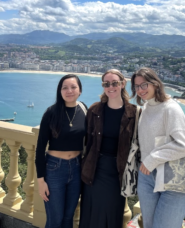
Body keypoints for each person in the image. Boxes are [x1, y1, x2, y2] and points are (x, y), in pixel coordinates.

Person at [131, 67, 185, 228]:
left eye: (144, 85)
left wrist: (153, 159)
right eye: (136, 86)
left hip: (173, 178)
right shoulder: (146, 108)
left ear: (155, 84)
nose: (140, 90)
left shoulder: (170, 108)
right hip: (147, 178)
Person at [80, 69, 137, 228]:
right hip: (94, 168)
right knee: (92, 212)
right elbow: (86, 140)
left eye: (114, 83)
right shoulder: (94, 110)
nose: (110, 87)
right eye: (106, 84)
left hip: (118, 171)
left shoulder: (134, 113)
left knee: (112, 213)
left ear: (122, 84)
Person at [35, 74, 87, 228]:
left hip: (77, 168)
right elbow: (40, 149)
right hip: (54, 169)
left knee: (68, 217)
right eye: (65, 87)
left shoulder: (84, 109)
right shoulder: (51, 113)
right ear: (60, 91)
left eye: (73, 87)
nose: (69, 91)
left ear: (80, 90)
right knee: (55, 220)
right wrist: (41, 181)